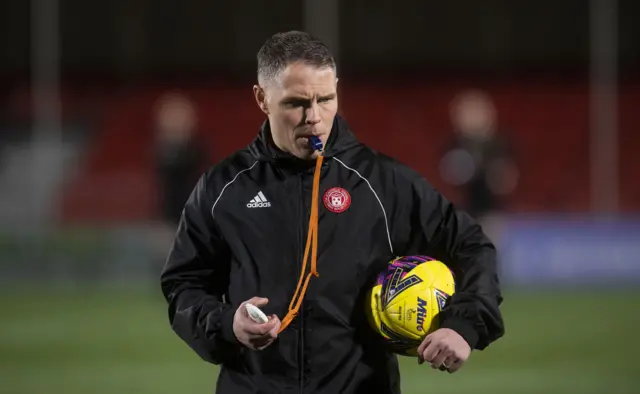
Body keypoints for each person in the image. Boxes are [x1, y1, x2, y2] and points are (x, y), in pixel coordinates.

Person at [160, 31, 505, 394]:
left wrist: (462, 326)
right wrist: (228, 324)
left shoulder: (382, 183)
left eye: (325, 99)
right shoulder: (223, 189)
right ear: (262, 98)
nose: (315, 117)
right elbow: (184, 286)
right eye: (296, 103)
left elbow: (471, 246)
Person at [438, 90, 518, 244]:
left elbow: (505, 182)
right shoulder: (454, 144)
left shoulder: (499, 145)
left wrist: (492, 174)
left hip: (491, 215)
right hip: (463, 214)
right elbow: (450, 176)